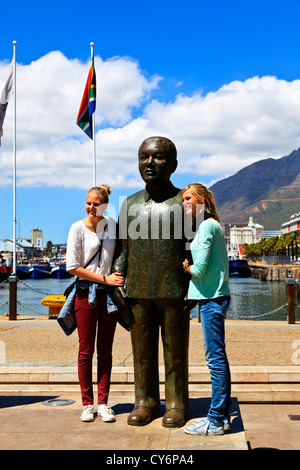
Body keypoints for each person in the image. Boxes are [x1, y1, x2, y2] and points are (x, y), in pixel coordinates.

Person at [113, 136, 193, 428]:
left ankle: (176, 403)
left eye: (158, 157)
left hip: (174, 289)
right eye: (144, 157)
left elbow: (193, 248)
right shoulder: (130, 204)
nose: (150, 163)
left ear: (172, 164)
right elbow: (122, 248)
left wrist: (193, 286)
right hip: (137, 289)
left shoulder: (182, 203)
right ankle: (145, 401)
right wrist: (117, 283)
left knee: (176, 352)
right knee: (142, 353)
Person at [66, 185, 125, 423]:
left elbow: (123, 254)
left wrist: (117, 278)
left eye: (96, 204)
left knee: (106, 352)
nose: (92, 207)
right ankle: (87, 403)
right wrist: (104, 278)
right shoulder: (77, 228)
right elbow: (73, 267)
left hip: (109, 295)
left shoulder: (112, 226)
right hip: (84, 293)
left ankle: (103, 403)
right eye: (88, 203)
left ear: (105, 205)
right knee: (85, 351)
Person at [181, 183, 231, 436]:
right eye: (183, 199)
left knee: (215, 360)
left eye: (188, 198)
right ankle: (220, 418)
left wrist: (186, 267)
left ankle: (215, 420)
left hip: (212, 299)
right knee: (217, 358)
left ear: (201, 199)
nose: (184, 202)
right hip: (213, 297)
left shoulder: (207, 226)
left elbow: (199, 270)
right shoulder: (208, 225)